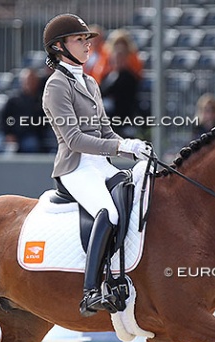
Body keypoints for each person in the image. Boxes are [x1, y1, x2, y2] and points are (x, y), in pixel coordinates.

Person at [41, 13, 149, 317]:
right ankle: (91, 291)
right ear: (59, 47)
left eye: (88, 39)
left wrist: (131, 148)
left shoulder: (89, 81)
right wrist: (119, 145)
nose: (88, 45)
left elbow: (104, 133)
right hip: (75, 167)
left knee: (136, 196)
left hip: (100, 164)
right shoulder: (56, 86)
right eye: (80, 40)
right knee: (109, 211)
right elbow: (74, 139)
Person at [0, 68, 49, 153]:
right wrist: (8, 134)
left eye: (32, 80)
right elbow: (4, 118)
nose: (29, 83)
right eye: (27, 80)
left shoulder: (41, 101)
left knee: (32, 144)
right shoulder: (13, 99)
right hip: (10, 134)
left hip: (29, 135)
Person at [100, 34, 141, 137]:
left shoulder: (129, 77)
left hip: (121, 121)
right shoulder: (108, 75)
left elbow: (123, 98)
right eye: (116, 56)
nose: (118, 60)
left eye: (121, 56)